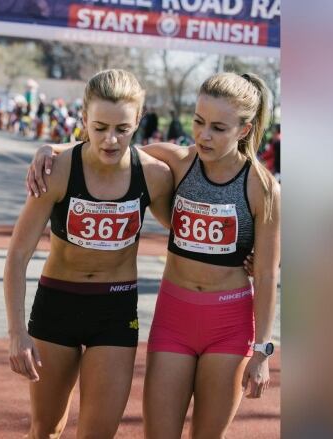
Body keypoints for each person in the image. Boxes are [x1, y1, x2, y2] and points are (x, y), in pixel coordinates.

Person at [27, 72, 280, 438]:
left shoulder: (264, 188)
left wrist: (262, 351)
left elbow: (269, 273)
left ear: (244, 129)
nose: (204, 135)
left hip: (229, 323)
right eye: (198, 122)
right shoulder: (175, 161)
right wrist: (51, 150)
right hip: (174, 319)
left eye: (218, 128)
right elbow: (110, 146)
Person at [4, 69, 173, 439]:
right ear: (83, 120)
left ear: (138, 123)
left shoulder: (155, 176)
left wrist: (248, 255)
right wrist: (17, 333)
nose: (110, 139)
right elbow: (17, 255)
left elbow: (188, 230)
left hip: (114, 311)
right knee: (45, 430)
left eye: (122, 129)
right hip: (57, 306)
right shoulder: (58, 171)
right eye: (99, 127)